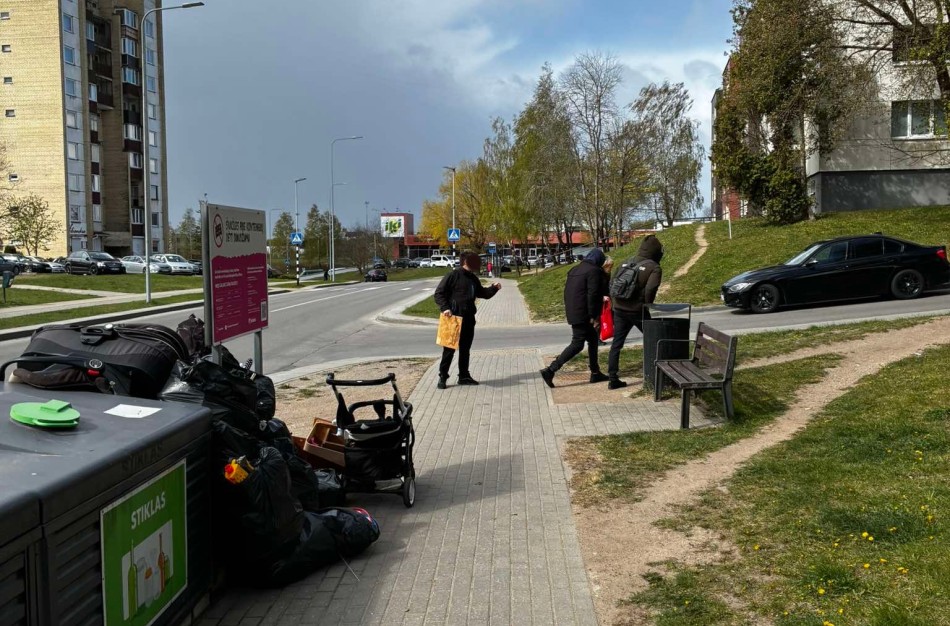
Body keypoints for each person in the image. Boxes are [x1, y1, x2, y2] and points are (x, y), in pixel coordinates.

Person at [539, 249, 610, 388]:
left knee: (593, 340)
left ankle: (595, 372)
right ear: (599, 261)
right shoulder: (594, 271)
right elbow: (593, 295)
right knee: (577, 344)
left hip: (574, 310)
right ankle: (550, 370)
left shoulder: (575, 269)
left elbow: (568, 291)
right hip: (584, 313)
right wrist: (593, 316)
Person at [433, 252, 502, 389]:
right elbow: (439, 293)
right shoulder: (453, 275)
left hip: (469, 318)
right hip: (453, 318)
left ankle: (464, 376)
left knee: (465, 349)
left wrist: (494, 288)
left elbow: (482, 293)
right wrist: (445, 308)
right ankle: (443, 377)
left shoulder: (473, 278)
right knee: (449, 350)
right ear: (465, 262)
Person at [607, 234, 664, 389]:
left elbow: (612, 283)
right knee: (655, 339)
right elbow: (651, 288)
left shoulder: (626, 262)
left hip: (619, 309)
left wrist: (615, 303)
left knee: (616, 344)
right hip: (638, 310)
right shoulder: (654, 267)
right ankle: (659, 373)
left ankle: (612, 378)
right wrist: (647, 304)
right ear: (656, 251)